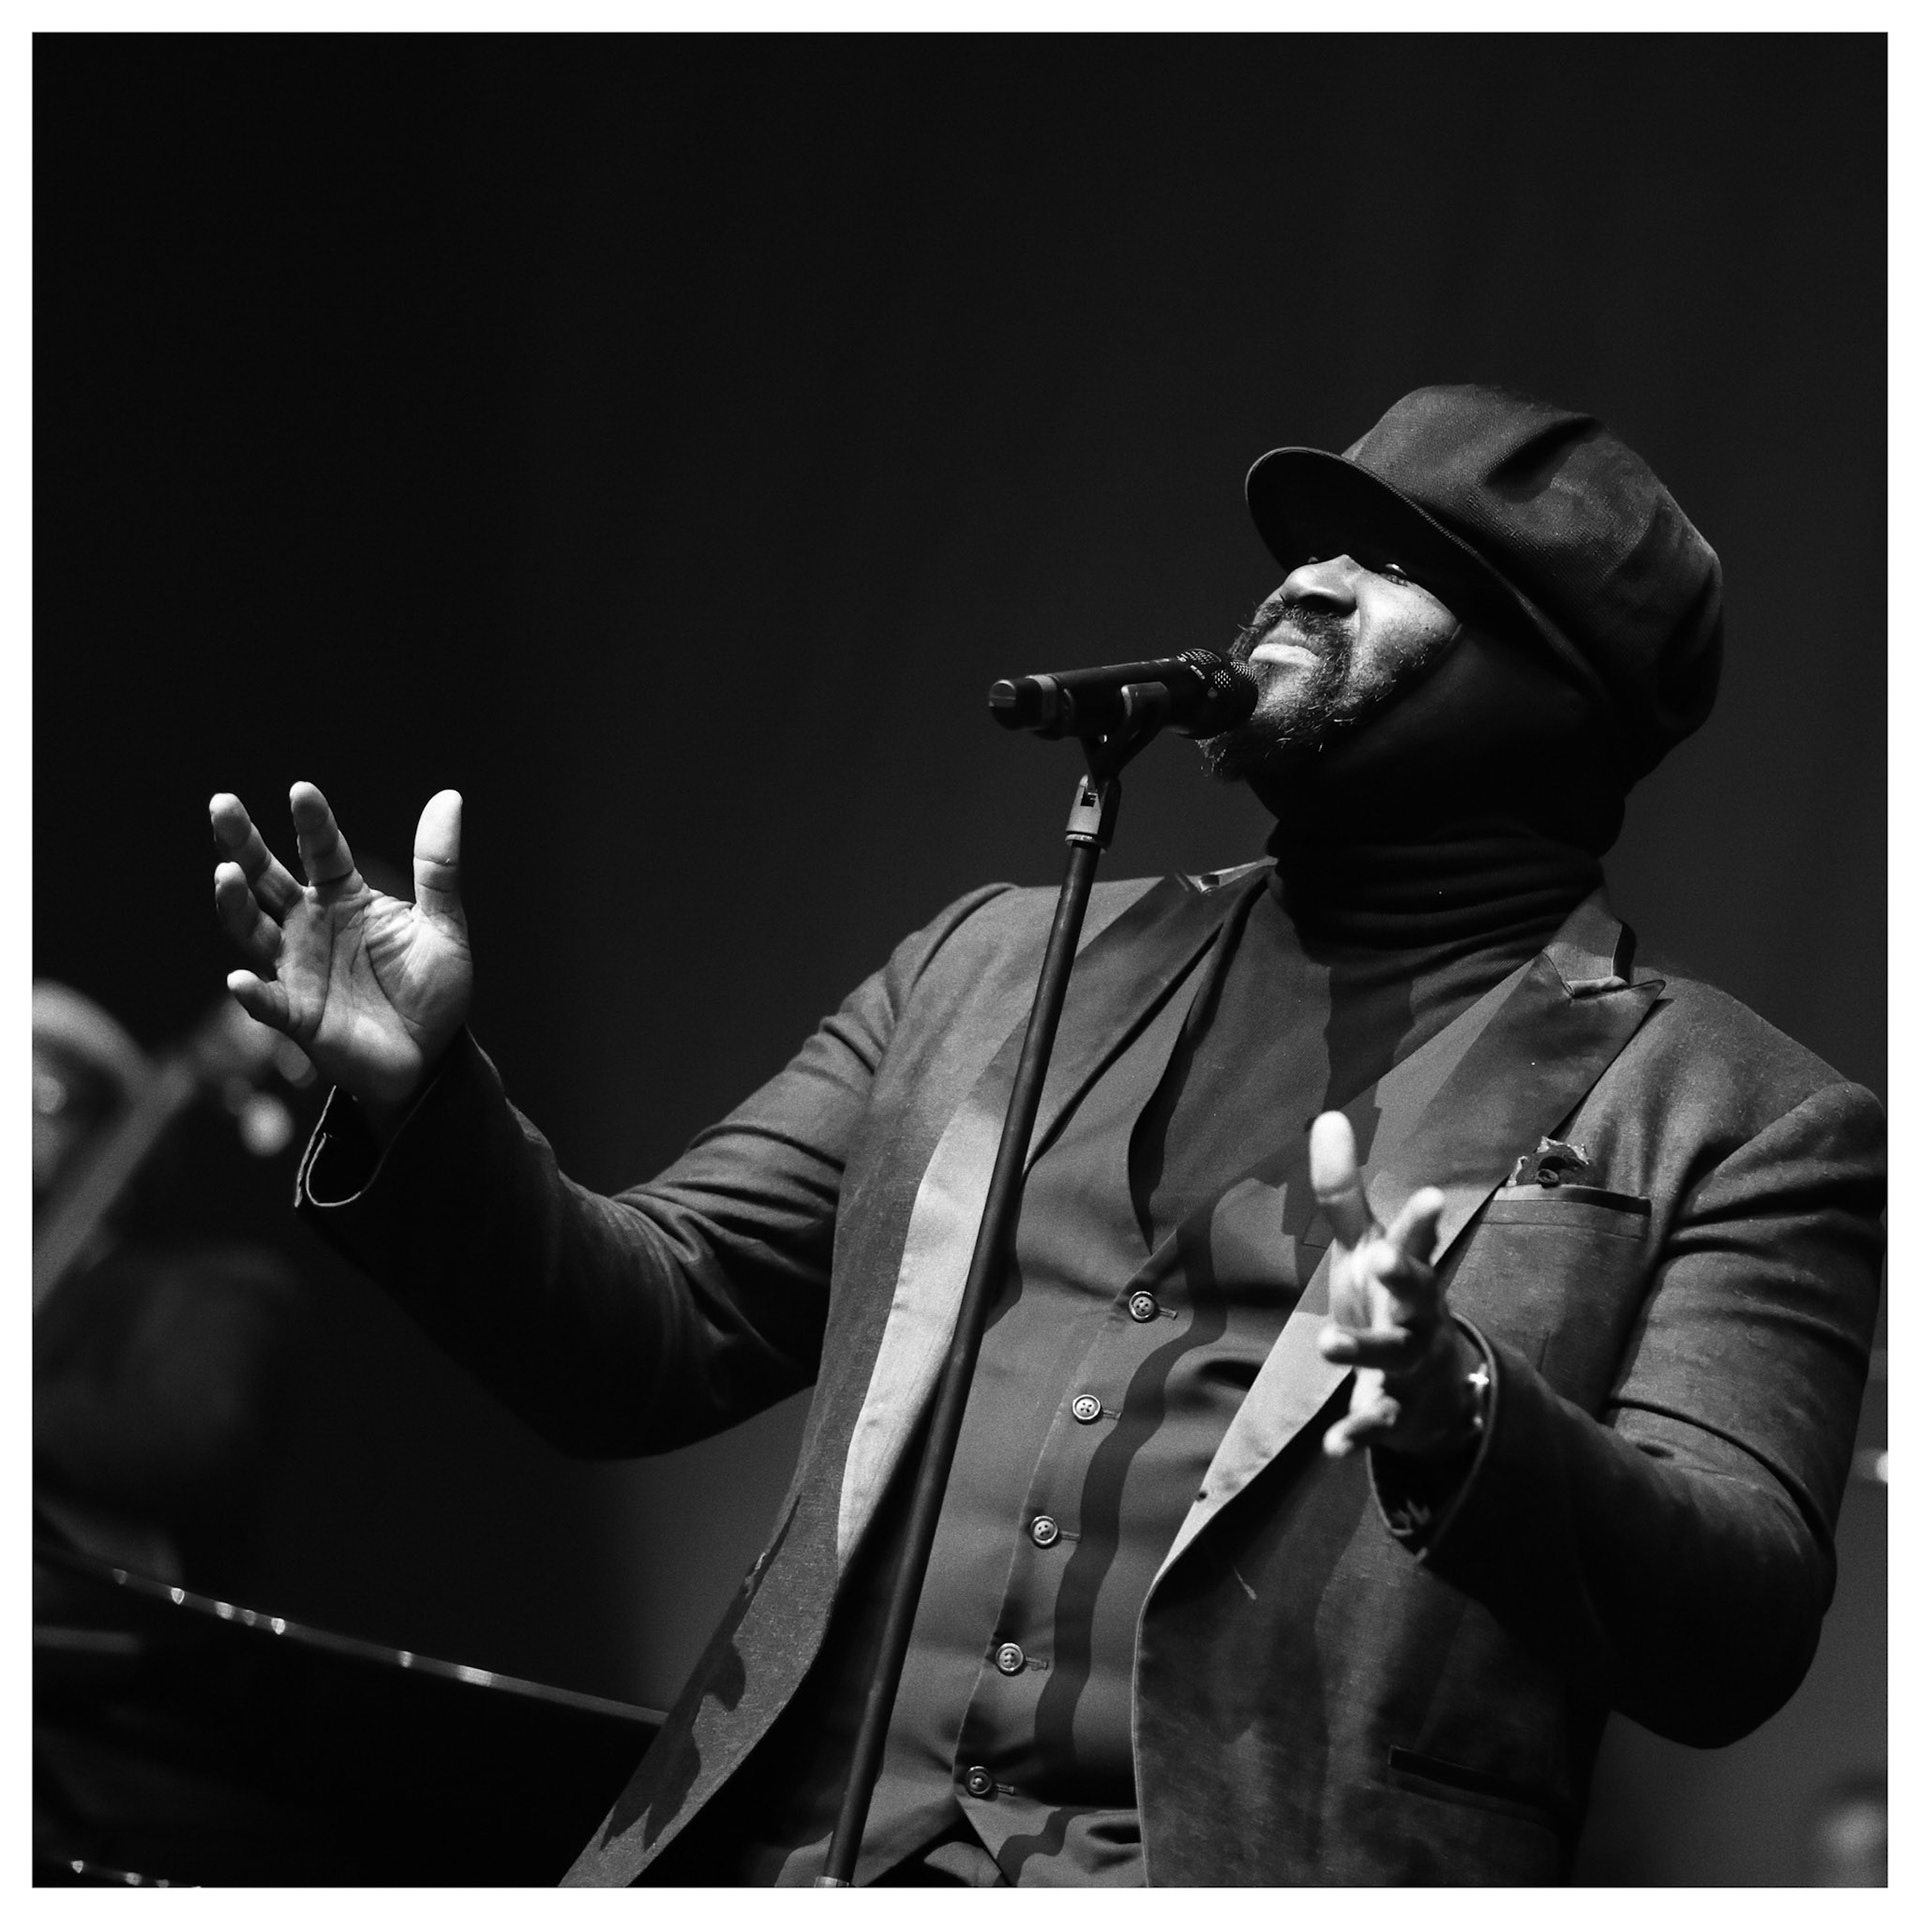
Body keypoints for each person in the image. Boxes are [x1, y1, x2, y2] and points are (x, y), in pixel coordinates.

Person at [205, 385, 1884, 1887]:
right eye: (1306, 546)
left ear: (1556, 682)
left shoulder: (1739, 1116)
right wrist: (427, 1101)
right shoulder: (993, 964)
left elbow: (1732, 1626)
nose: (1300, 581)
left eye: (1390, 562)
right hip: (800, 1863)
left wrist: (1471, 1416)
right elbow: (648, 1329)